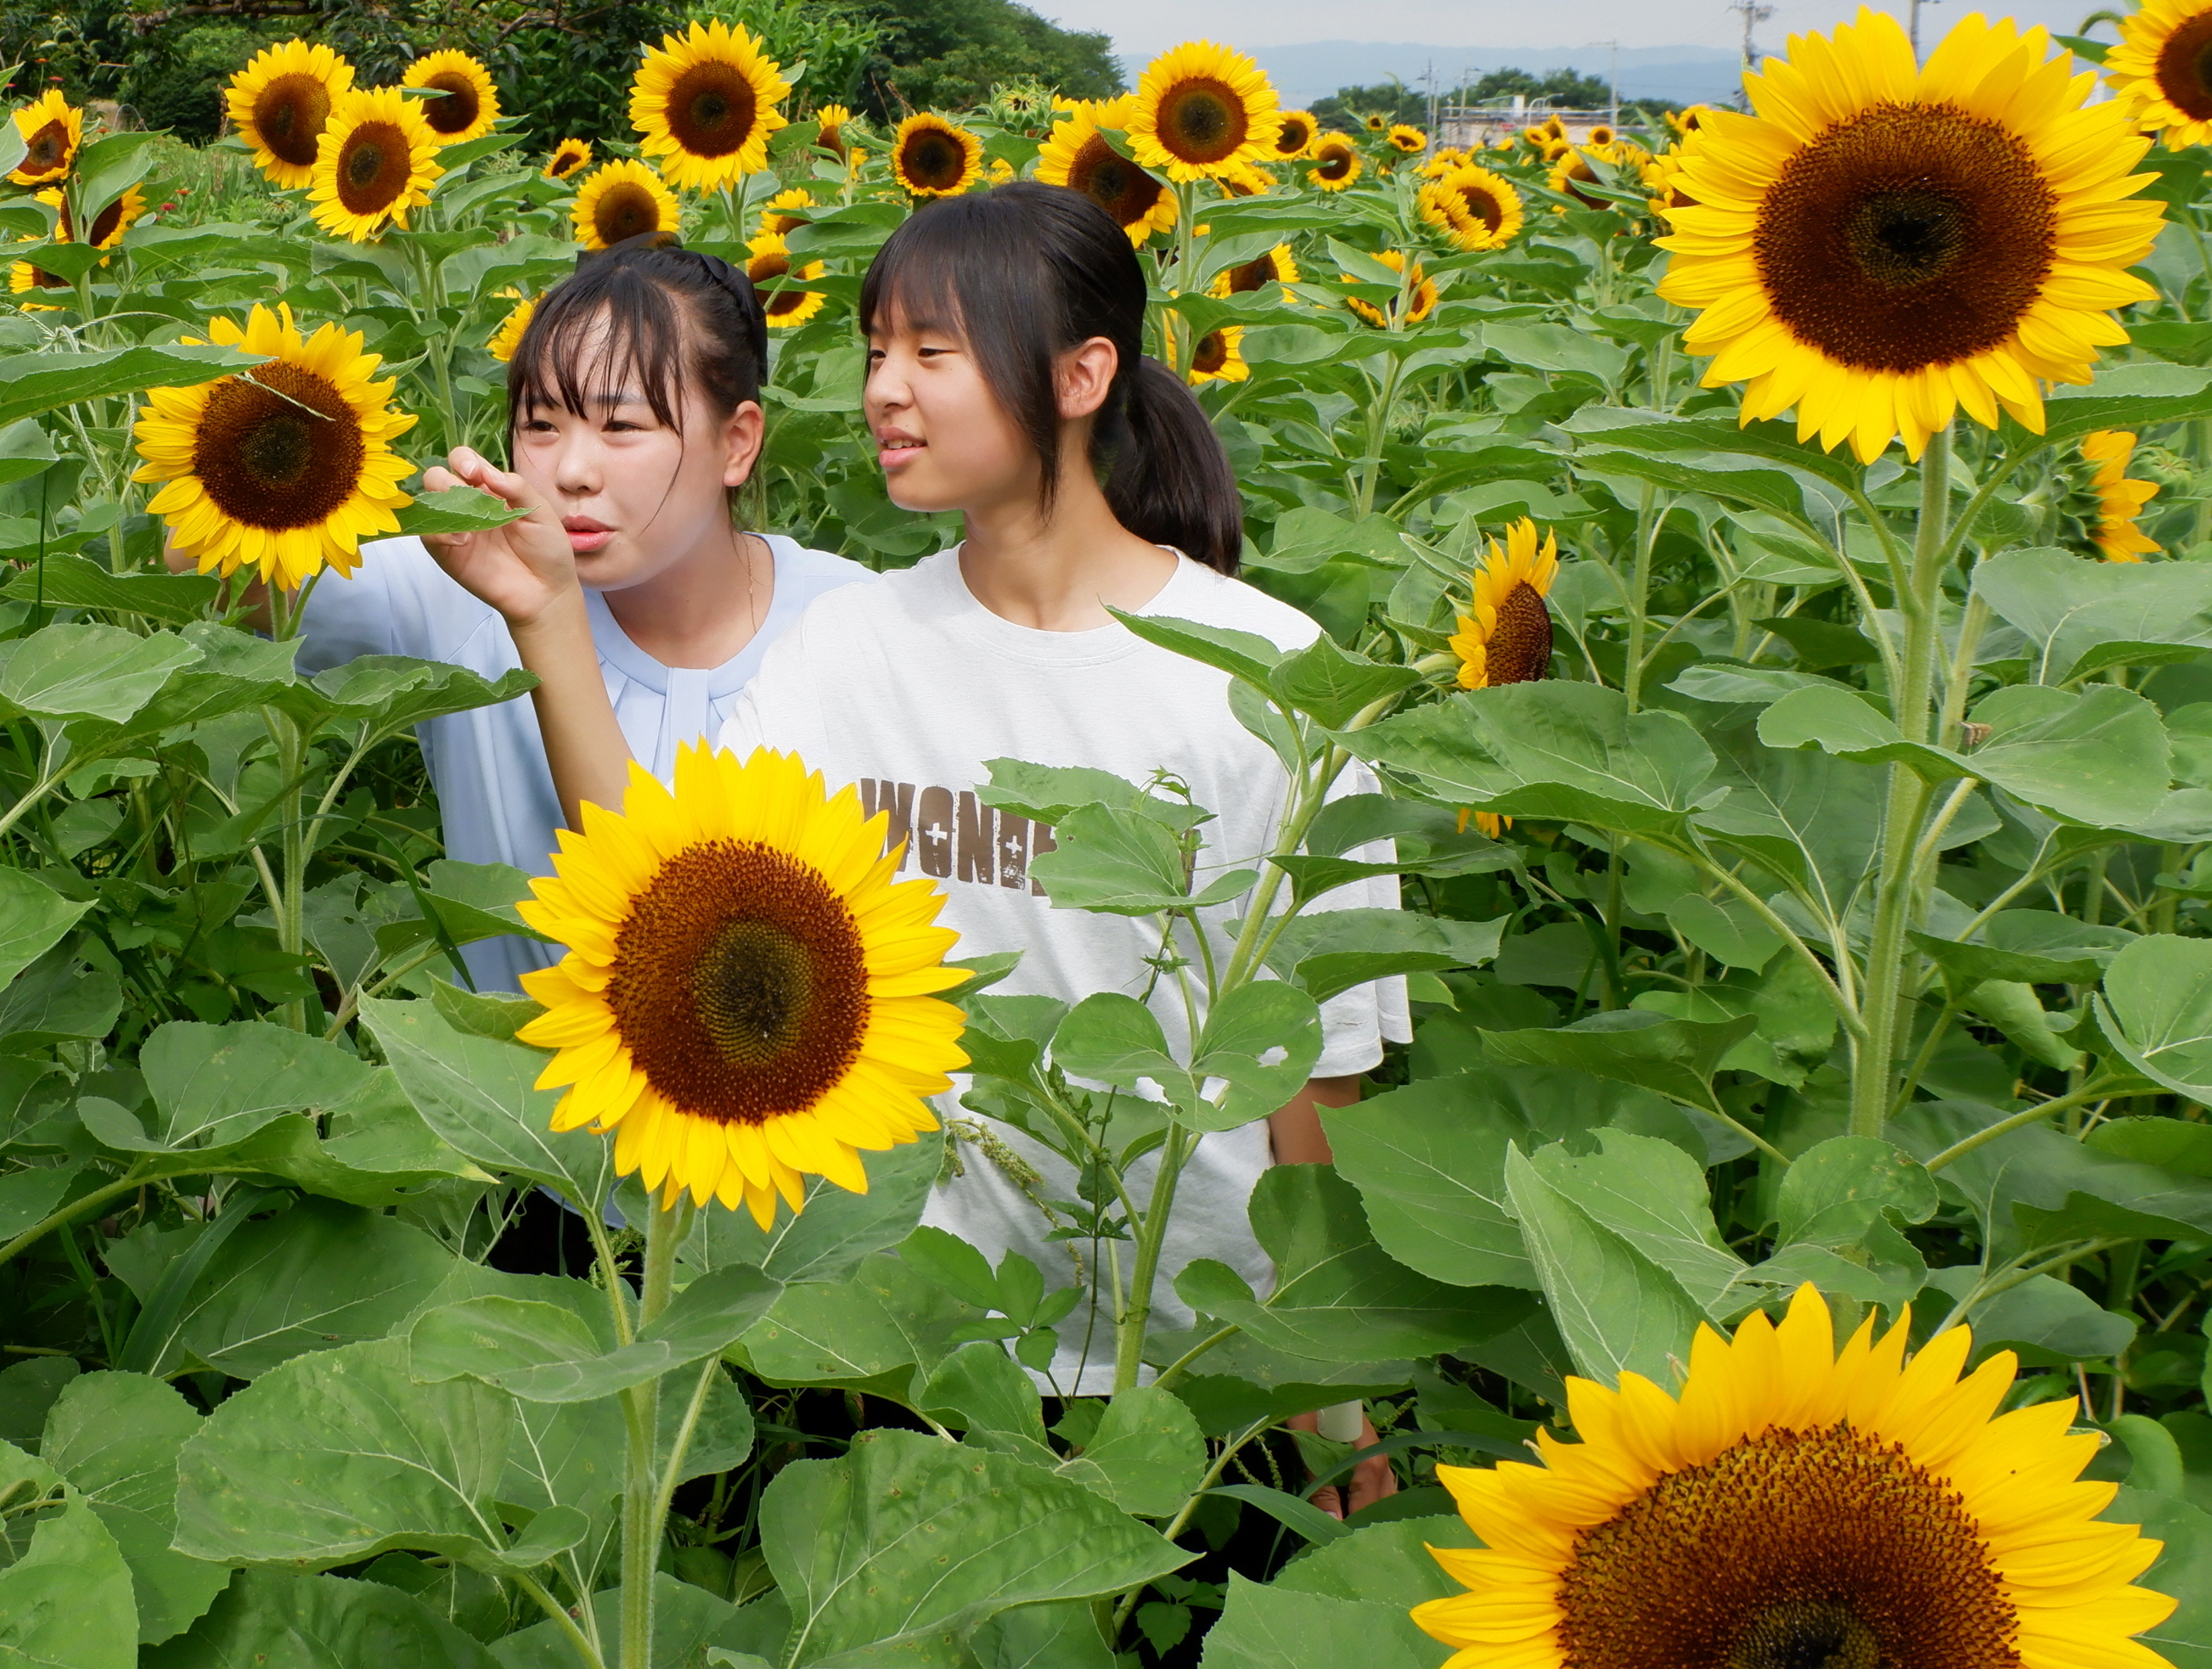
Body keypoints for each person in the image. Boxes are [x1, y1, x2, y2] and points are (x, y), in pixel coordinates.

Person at [429, 184, 1405, 1498]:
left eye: (932, 351)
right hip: (914, 1354)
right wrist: (547, 614)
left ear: (1079, 375)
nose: (884, 388)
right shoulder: (851, 647)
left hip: (1197, 1362)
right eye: (876, 347)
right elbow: (662, 886)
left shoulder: (1266, 676)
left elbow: (1313, 1067)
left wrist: (1327, 1395)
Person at [300, 237, 870, 992]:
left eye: (621, 426)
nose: (570, 471)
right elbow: (213, 563)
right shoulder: (468, 582)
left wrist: (548, 615)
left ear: (737, 443)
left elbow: (686, 956)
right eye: (540, 425)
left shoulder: (851, 631)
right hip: (491, 1070)